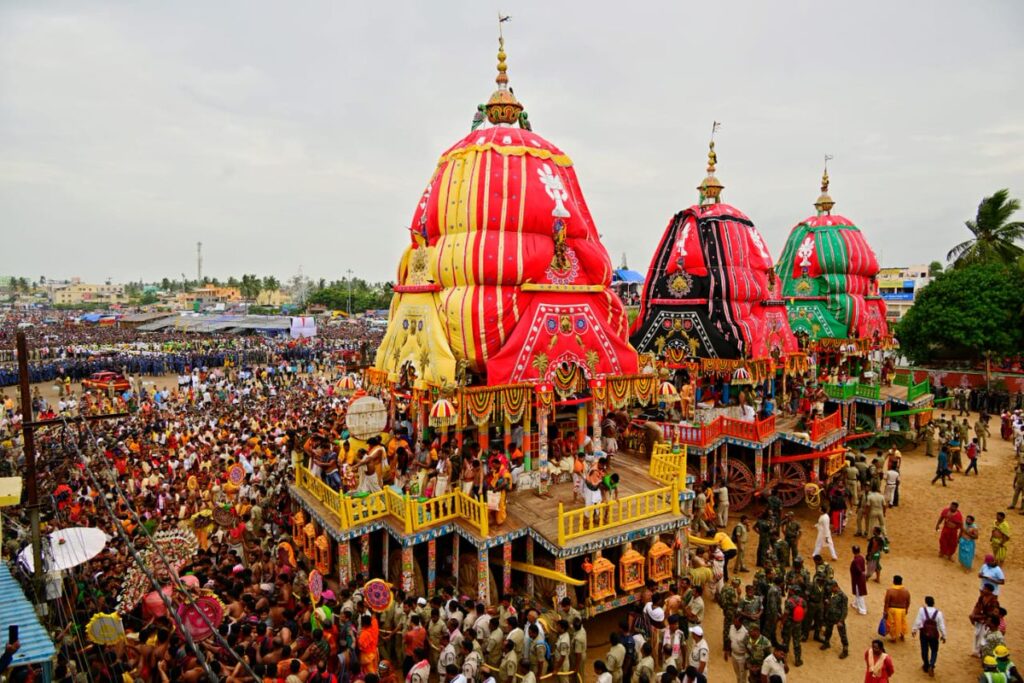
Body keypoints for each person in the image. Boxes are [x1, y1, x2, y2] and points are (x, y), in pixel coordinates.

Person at [911, 595, 946, 678]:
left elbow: (918, 621)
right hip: (934, 635)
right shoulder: (938, 613)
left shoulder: (922, 610)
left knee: (924, 650)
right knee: (934, 651)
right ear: (933, 603)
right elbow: (941, 625)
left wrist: (914, 630)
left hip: (924, 633)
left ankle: (926, 665)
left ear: (926, 602)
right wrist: (944, 636)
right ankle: (932, 664)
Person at [820, 580, 849, 659]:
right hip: (830, 616)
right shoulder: (832, 594)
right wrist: (828, 602)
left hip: (839, 618)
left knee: (842, 634)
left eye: (831, 588)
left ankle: (845, 649)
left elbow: (844, 610)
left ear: (836, 586)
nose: (830, 590)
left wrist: (841, 620)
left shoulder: (843, 596)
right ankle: (826, 643)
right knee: (828, 631)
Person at [883, 575, 911, 642]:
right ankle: (902, 635)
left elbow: (886, 602)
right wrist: (906, 609)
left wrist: (885, 611)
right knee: (902, 622)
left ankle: (893, 638)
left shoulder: (890, 591)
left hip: (892, 609)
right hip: (902, 609)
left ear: (894, 581)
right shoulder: (906, 591)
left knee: (892, 623)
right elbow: (908, 602)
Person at [850, 545, 868, 615]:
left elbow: (859, 569)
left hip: (858, 579)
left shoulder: (855, 561)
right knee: (858, 593)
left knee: (859, 594)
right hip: (861, 578)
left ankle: (863, 610)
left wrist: (860, 573)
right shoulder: (861, 558)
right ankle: (856, 604)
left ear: (853, 551)